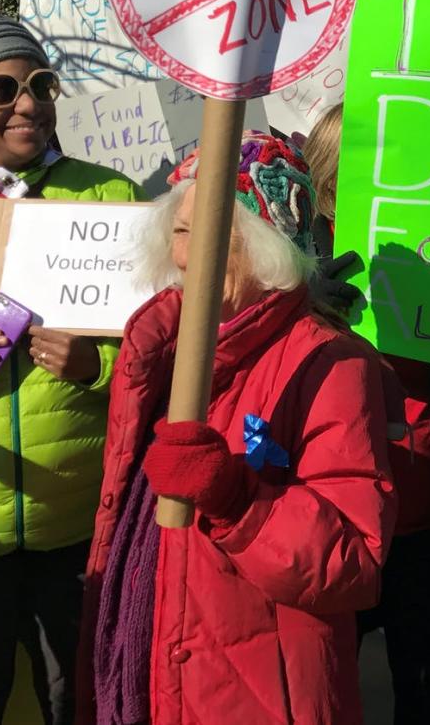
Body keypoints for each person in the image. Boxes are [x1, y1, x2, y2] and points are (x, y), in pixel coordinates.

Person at [77, 133, 397, 725]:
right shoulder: (154, 354)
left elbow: (354, 563)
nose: (185, 256)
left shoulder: (329, 361)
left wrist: (233, 497)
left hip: (255, 696)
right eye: (180, 231)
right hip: (148, 675)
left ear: (270, 247)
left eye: (214, 235)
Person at [0, 14, 144, 725]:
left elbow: (154, 345)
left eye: (42, 83)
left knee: (77, 692)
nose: (29, 102)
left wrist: (94, 365)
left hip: (75, 519)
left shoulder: (110, 197)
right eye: (4, 86)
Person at [304, 104, 430, 725]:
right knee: (325, 686)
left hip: (428, 516)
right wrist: (302, 310)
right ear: (330, 182)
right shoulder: (295, 269)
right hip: (335, 518)